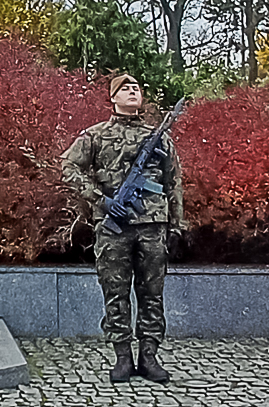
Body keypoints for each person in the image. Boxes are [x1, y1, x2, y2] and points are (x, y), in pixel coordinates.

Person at [62, 73, 185, 386]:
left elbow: (173, 181)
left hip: (152, 225)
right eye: (125, 88)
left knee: (152, 293)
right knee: (115, 293)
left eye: (136, 88)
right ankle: (122, 357)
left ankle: (149, 356)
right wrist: (100, 200)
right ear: (113, 97)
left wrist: (177, 223)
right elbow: (68, 167)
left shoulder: (158, 137)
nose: (132, 91)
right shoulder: (96, 135)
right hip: (114, 228)